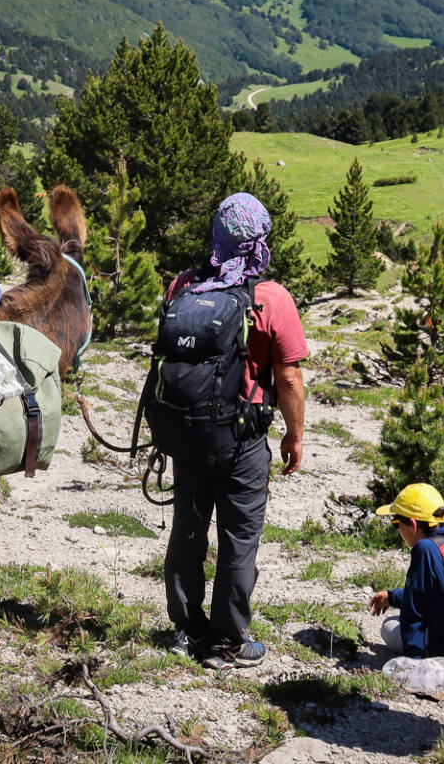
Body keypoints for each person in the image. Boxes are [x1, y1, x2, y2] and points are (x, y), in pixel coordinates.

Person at [149, 193, 308, 670]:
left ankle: (184, 629)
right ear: (259, 242)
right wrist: (294, 435)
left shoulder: (183, 286)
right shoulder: (271, 298)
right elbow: (290, 378)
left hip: (187, 433)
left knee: (188, 532)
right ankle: (229, 639)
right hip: (243, 439)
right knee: (239, 537)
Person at [369, 482, 444, 671]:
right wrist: (392, 597)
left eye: (396, 523)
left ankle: (439, 659)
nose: (397, 530)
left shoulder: (425, 550)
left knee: (389, 626)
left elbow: (413, 611)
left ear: (413, 524)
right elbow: (435, 593)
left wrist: (415, 665)